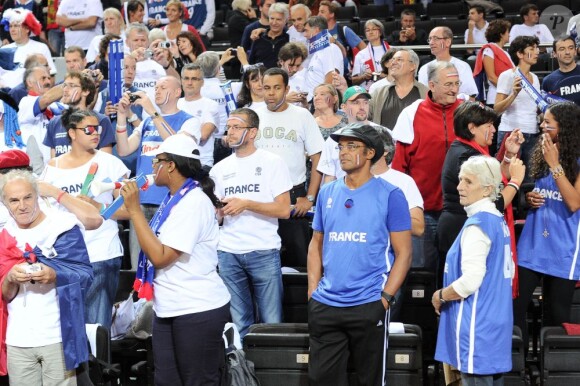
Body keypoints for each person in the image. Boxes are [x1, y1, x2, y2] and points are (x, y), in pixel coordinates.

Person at [121, 133, 231, 385]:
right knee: (166, 380)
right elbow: (119, 214)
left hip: (197, 308)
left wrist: (136, 209)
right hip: (169, 305)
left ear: (170, 165)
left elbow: (160, 257)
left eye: (156, 160)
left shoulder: (193, 202)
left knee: (198, 381)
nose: (152, 166)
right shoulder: (174, 198)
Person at [307, 123, 412, 386]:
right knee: (321, 381)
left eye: (351, 146)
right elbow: (315, 244)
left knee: (370, 381)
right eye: (341, 146)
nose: (343, 152)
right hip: (326, 304)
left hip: (368, 303)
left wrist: (385, 298)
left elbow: (404, 253)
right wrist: (312, 292)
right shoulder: (327, 192)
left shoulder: (391, 195)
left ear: (370, 153)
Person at [0, 169, 93, 383]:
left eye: (27, 197)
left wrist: (55, 274)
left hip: (58, 337)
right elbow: (4, 295)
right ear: (5, 204)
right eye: (14, 200)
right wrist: (11, 278)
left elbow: (86, 275)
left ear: (37, 196)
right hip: (18, 340)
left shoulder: (63, 227)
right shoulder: (6, 236)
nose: (22, 206)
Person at [40, 108, 129, 330]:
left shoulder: (111, 163)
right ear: (72, 133)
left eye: (97, 129)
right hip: (66, 255)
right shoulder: (53, 167)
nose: (95, 133)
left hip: (101, 252)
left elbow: (129, 210)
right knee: (69, 325)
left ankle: (99, 365)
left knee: (96, 325)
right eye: (88, 129)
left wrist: (98, 207)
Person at [432, 155, 514, 386]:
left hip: (476, 329)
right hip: (495, 326)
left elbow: (470, 282)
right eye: (460, 180)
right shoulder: (498, 221)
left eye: (468, 181)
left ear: (488, 188)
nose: (459, 187)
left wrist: (440, 295)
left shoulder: (477, 226)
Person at [211, 108, 292, 339]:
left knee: (272, 321)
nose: (231, 132)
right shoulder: (219, 169)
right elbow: (217, 217)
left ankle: (272, 373)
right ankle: (243, 373)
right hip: (228, 251)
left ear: (253, 132)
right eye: (229, 127)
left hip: (263, 249)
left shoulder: (272, 162)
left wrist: (246, 203)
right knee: (238, 323)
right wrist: (219, 211)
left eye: (237, 127)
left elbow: (284, 209)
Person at [514, 102, 580, 353]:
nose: (542, 126)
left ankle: (552, 371)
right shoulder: (540, 152)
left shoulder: (571, 160)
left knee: (557, 316)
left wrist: (556, 165)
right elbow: (532, 190)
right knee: (516, 310)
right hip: (532, 245)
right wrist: (529, 199)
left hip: (565, 248)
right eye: (542, 121)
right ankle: (519, 369)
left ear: (565, 127)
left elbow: (574, 203)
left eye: (548, 122)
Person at [115, 76, 201, 269]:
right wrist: (122, 115)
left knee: (166, 263)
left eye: (163, 87)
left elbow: (177, 147)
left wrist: (151, 110)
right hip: (142, 200)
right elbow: (124, 149)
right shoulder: (147, 122)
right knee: (139, 264)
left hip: (170, 200)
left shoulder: (190, 121)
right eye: (156, 87)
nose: (157, 91)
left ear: (178, 92)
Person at [438, 102, 525, 289]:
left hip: (462, 226)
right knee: (469, 290)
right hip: (462, 228)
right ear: (471, 128)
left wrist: (508, 154)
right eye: (488, 125)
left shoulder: (465, 150)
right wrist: (516, 181)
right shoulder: (467, 157)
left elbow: (493, 183)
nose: (494, 130)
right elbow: (493, 203)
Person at [391, 61, 463, 271]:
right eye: (449, 84)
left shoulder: (467, 111)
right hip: (423, 211)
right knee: (421, 272)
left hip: (460, 209)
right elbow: (398, 165)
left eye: (457, 83)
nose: (454, 89)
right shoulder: (411, 114)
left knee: (456, 269)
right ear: (431, 85)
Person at [256, 67, 325, 268]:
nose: (270, 93)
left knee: (298, 262)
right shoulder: (253, 115)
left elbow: (318, 157)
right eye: (266, 88)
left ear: (286, 89)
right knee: (263, 263)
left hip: (294, 195)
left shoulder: (302, 115)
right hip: (260, 197)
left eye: (276, 88)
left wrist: (310, 197)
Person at [494, 35, 541, 174]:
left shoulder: (536, 78)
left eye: (537, 48)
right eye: (532, 49)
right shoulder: (507, 75)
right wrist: (513, 94)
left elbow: (534, 108)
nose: (537, 52)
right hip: (511, 133)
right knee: (506, 177)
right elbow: (496, 109)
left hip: (533, 133)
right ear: (520, 54)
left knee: (530, 180)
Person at [44, 71, 115, 158]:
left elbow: (106, 162)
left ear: (85, 91)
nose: (65, 90)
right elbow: (54, 163)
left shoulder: (101, 121)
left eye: (72, 86)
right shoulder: (54, 122)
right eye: (64, 85)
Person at [369, 49, 426, 130]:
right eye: (393, 59)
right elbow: (362, 114)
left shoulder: (426, 93)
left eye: (399, 60)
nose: (393, 63)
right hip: (384, 142)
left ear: (412, 66)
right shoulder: (378, 93)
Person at [178, 63, 221, 168]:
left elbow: (202, 135)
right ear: (181, 81)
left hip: (201, 163)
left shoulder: (211, 105)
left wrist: (174, 135)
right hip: (177, 163)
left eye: (194, 79)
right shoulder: (175, 104)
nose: (189, 83)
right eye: (186, 78)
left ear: (202, 82)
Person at [418, 27, 478, 99]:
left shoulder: (463, 66)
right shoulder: (424, 69)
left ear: (448, 42)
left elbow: (470, 97)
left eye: (435, 38)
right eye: (430, 39)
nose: (431, 42)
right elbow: (423, 98)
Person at [1, 9, 57, 84]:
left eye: (16, 26)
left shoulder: (40, 48)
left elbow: (51, 75)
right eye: (10, 26)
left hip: (33, 93)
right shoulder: (4, 49)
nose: (12, 30)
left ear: (27, 29)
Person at [472, 19, 514, 108]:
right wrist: (510, 88)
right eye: (507, 32)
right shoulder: (489, 50)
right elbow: (491, 77)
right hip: (495, 98)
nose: (509, 35)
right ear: (501, 34)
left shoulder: (505, 52)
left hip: (507, 97)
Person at [302, 16, 344, 100]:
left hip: (323, 102)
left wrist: (321, 100)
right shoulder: (318, 52)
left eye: (306, 30)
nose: (304, 35)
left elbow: (331, 78)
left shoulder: (330, 49)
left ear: (316, 30)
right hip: (313, 101)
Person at [248, 3, 290, 69]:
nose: (274, 22)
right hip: (260, 78)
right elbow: (251, 62)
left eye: (278, 19)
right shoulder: (258, 37)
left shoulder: (289, 39)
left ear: (286, 21)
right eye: (272, 18)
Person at [351, 19, 389, 90]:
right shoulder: (361, 54)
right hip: (369, 92)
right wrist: (364, 77)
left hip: (389, 89)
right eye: (367, 30)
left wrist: (387, 76)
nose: (370, 32)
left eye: (374, 29)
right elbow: (354, 81)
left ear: (380, 32)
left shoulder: (391, 50)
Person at [542, 35, 580, 106]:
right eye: (562, 49)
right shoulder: (548, 81)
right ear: (554, 54)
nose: (567, 52)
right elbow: (545, 112)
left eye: (571, 48)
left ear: (575, 51)